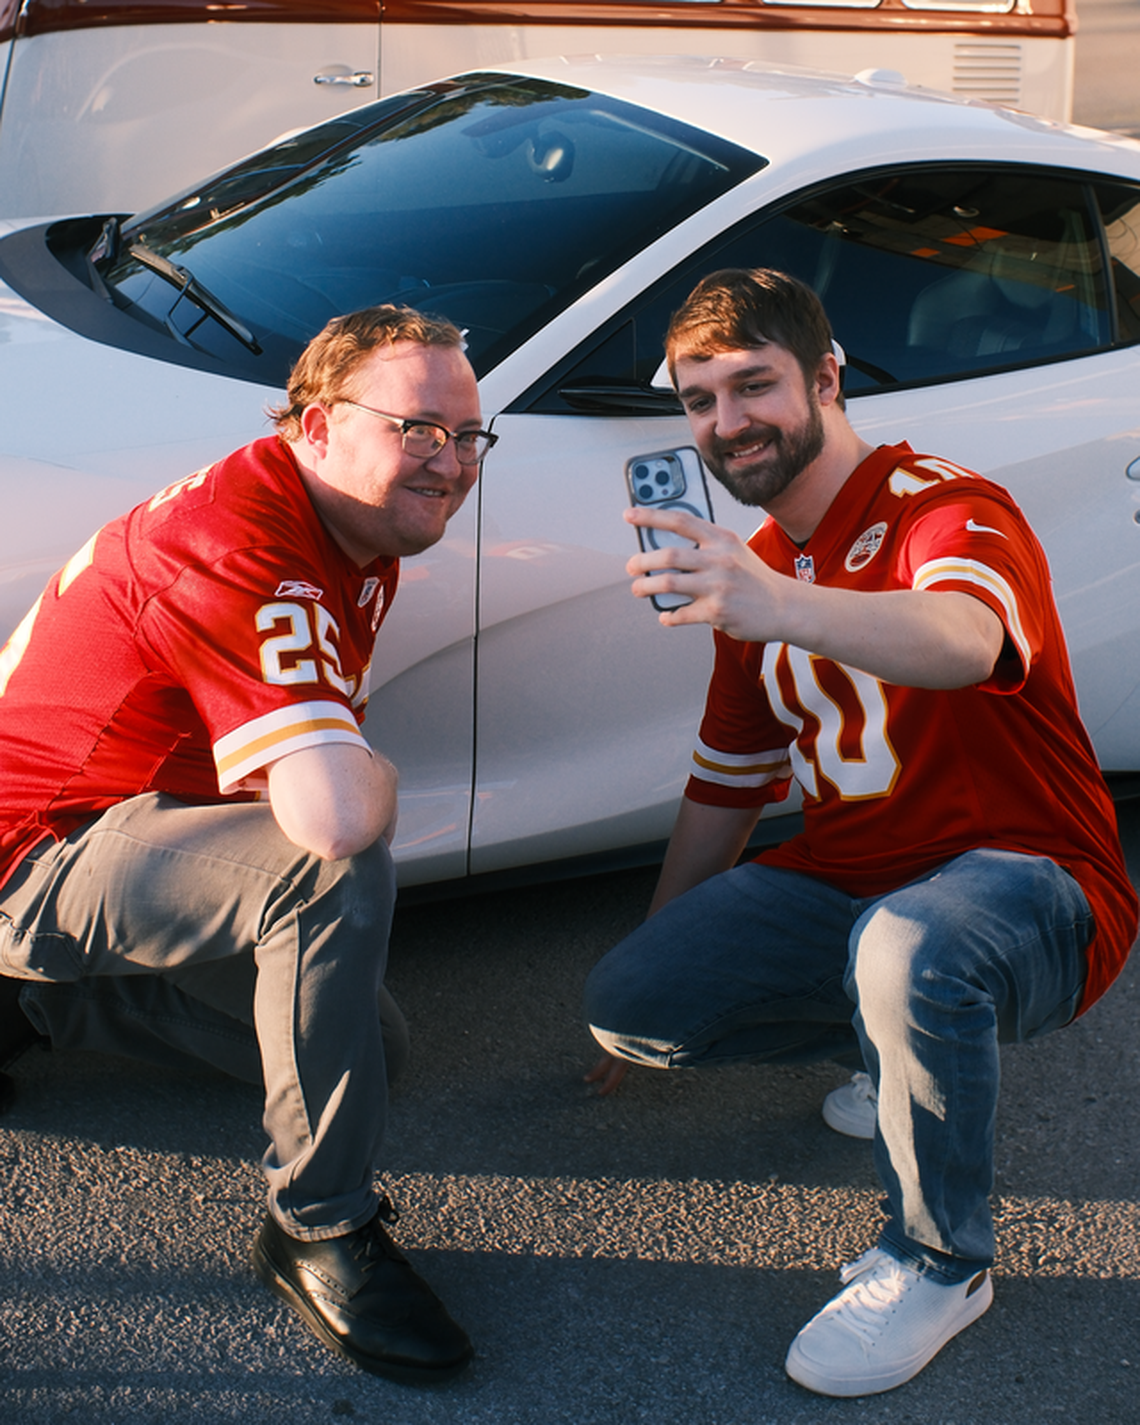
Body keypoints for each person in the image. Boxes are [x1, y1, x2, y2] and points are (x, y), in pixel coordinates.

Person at [582, 269, 1138, 1397]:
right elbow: (724, 791)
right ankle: (892, 1055)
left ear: (827, 380)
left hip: (1034, 882)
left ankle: (941, 1261)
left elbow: (964, 637)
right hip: (854, 884)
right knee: (630, 1008)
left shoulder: (944, 504)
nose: (727, 423)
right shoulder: (753, 575)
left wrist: (777, 604)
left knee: (910, 952)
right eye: (700, 400)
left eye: (755, 386)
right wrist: (654, 958)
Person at [0, 304, 498, 1383]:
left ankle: (33, 999)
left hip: (135, 830)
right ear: (316, 428)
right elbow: (333, 816)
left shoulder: (351, 519)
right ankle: (319, 1226)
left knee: (373, 1052)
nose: (450, 462)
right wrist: (381, 775)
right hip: (36, 849)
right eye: (418, 428)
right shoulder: (245, 536)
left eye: (466, 436)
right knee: (328, 870)